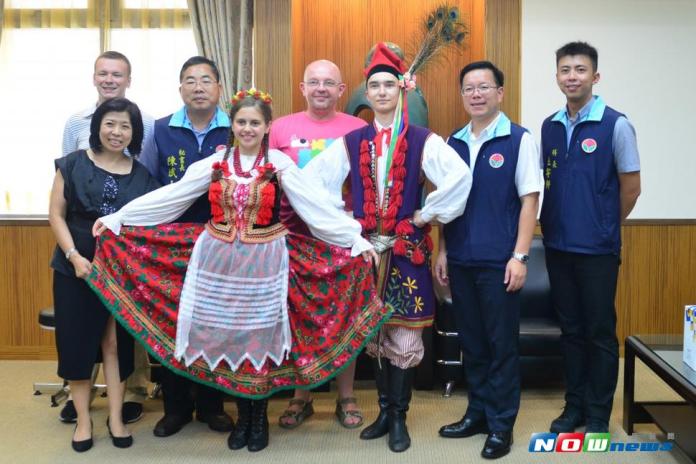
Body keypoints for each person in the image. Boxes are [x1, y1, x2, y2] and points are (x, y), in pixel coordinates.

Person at [92, 88, 389, 452]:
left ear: (267, 127)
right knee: (228, 337)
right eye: (242, 122)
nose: (248, 128)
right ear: (232, 125)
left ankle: (257, 418)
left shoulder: (279, 164)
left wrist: (353, 240)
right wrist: (121, 218)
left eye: (255, 123)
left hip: (266, 263)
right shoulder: (214, 164)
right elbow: (172, 197)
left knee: (259, 338)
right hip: (216, 263)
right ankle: (241, 417)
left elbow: (315, 209)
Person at [302, 42, 472, 452]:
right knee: (374, 334)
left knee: (404, 335)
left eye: (388, 85)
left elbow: (459, 178)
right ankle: (382, 411)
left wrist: (422, 215)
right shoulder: (352, 140)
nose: (381, 92)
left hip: (405, 249)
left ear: (402, 90)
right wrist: (346, 227)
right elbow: (311, 185)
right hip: (366, 252)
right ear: (365, 92)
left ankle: (399, 416)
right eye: (374, 85)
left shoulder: (421, 139)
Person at [436, 61, 541, 459]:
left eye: (484, 87)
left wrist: (520, 256)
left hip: (500, 262)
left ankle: (501, 426)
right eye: (469, 88)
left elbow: (530, 200)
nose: (476, 94)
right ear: (462, 95)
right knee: (474, 344)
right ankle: (476, 413)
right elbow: (445, 204)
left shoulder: (519, 139)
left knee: (500, 346)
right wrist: (443, 250)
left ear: (500, 92)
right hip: (461, 258)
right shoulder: (453, 142)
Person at [539, 41, 641, 434]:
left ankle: (597, 414)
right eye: (565, 70)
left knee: (599, 332)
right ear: (558, 77)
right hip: (558, 247)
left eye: (580, 70)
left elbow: (630, 188)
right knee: (571, 331)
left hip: (597, 249)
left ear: (594, 77)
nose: (572, 77)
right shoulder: (549, 126)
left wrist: (603, 225)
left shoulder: (616, 124)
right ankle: (574, 407)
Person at [49, 97, 160, 452]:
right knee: (78, 345)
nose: (117, 132)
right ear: (98, 125)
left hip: (117, 274)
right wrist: (74, 256)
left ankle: (115, 417)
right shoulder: (73, 164)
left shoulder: (142, 177)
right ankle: (83, 419)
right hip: (73, 268)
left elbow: (149, 227)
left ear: (134, 133)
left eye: (125, 126)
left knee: (115, 346)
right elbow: (56, 215)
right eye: (110, 123)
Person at [137, 56, 234, 437]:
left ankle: (212, 406)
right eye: (190, 81)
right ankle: (175, 407)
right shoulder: (160, 130)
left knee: (215, 325)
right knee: (170, 322)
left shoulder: (235, 127)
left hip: (222, 242)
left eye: (206, 80)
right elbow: (146, 182)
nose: (198, 87)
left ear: (219, 88)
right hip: (170, 245)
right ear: (180, 89)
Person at [269, 59, 368, 429]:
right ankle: (301, 396)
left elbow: (365, 183)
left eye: (329, 82)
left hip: (341, 240)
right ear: (302, 88)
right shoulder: (280, 128)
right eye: (314, 82)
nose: (321, 88)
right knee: (296, 317)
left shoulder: (358, 128)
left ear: (342, 90)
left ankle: (346, 396)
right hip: (292, 238)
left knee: (343, 317)